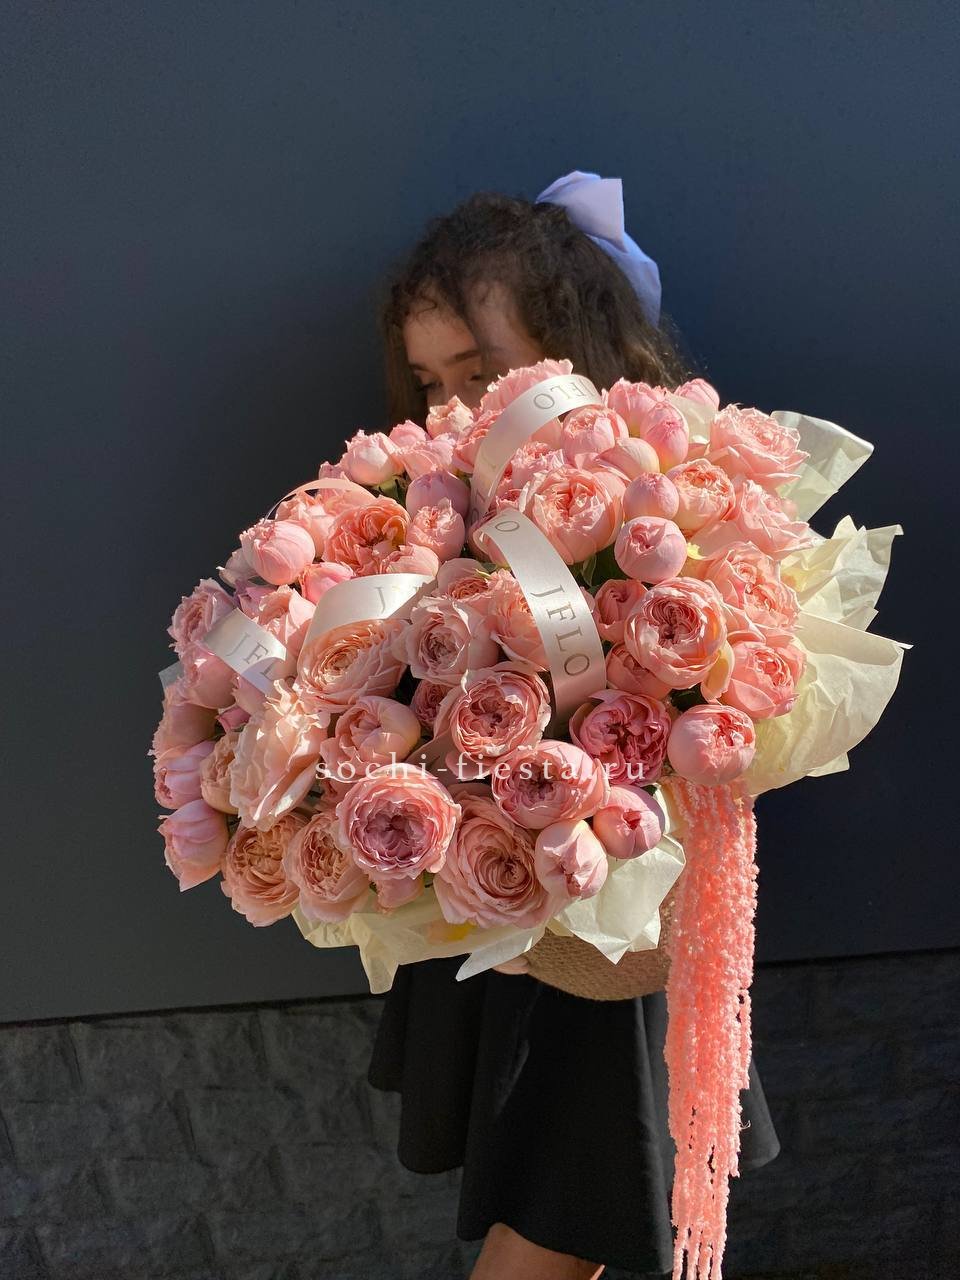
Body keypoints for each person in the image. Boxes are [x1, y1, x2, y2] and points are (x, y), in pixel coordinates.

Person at [367, 173, 782, 1279]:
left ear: (575, 354)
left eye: (482, 372)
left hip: (615, 916)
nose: (456, 406)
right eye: (432, 381)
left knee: (573, 1214)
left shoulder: (660, 496)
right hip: (515, 898)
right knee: (564, 1218)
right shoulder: (444, 509)